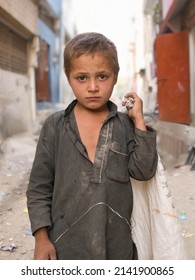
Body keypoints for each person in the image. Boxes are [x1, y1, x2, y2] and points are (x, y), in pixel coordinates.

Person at [26, 32, 158, 260]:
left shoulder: (125, 125)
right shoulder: (55, 126)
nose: (93, 87)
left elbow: (144, 171)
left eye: (102, 76)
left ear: (116, 77)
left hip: (118, 249)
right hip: (66, 247)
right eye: (82, 78)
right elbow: (39, 187)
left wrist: (139, 122)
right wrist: (41, 238)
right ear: (68, 77)